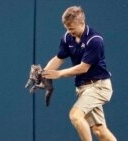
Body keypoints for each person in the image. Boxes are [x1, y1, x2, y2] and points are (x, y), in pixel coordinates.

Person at [42, 6, 117, 141]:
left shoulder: (94, 40)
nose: (68, 31)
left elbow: (83, 68)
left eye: (71, 28)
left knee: (75, 115)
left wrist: (58, 74)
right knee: (99, 131)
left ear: (82, 23)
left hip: (99, 86)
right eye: (66, 28)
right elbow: (58, 58)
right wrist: (43, 74)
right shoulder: (67, 37)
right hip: (84, 88)